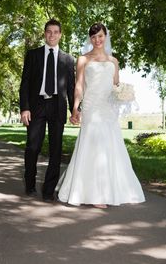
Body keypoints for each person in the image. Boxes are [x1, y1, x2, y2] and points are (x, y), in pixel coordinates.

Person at [56, 22, 145, 208]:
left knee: (109, 147)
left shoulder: (114, 61)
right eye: (94, 37)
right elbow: (79, 86)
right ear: (90, 39)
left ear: (106, 36)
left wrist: (123, 94)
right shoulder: (83, 59)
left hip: (108, 109)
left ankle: (113, 190)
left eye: (100, 36)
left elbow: (115, 86)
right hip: (91, 107)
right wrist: (75, 109)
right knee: (93, 145)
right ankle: (95, 194)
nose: (97, 40)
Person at [20, 19, 75, 202]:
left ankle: (48, 190)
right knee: (33, 146)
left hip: (57, 107)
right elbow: (25, 83)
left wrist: (76, 110)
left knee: (56, 149)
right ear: (45, 34)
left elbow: (71, 87)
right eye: (48, 31)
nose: (52, 35)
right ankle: (29, 184)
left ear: (60, 34)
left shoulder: (68, 60)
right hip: (36, 106)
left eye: (55, 32)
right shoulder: (33, 55)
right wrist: (25, 108)